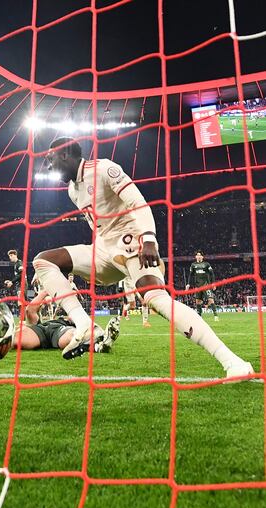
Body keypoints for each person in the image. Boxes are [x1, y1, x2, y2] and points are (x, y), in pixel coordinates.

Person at [34, 137, 252, 378]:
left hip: (132, 242)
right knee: (43, 261)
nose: (48, 165)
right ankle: (85, 326)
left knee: (156, 299)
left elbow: (138, 203)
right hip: (103, 250)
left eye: (50, 159)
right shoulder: (72, 190)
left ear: (64, 154)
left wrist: (148, 239)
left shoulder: (104, 168)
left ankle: (232, 362)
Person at [15, 288, 120, 353]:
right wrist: (46, 291)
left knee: (73, 335)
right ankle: (99, 342)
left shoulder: (66, 319)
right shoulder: (35, 324)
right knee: (17, 336)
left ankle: (100, 338)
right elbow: (30, 310)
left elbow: (78, 318)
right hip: (41, 332)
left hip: (60, 329)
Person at [186, 251, 219, 321]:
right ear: (195, 257)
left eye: (200, 255)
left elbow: (212, 274)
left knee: (210, 299)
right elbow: (190, 275)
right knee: (198, 301)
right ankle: (199, 316)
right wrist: (188, 284)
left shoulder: (206, 264)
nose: (199, 256)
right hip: (198, 286)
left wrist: (213, 283)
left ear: (202, 257)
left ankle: (216, 315)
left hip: (206, 285)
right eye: (197, 255)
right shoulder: (193, 265)